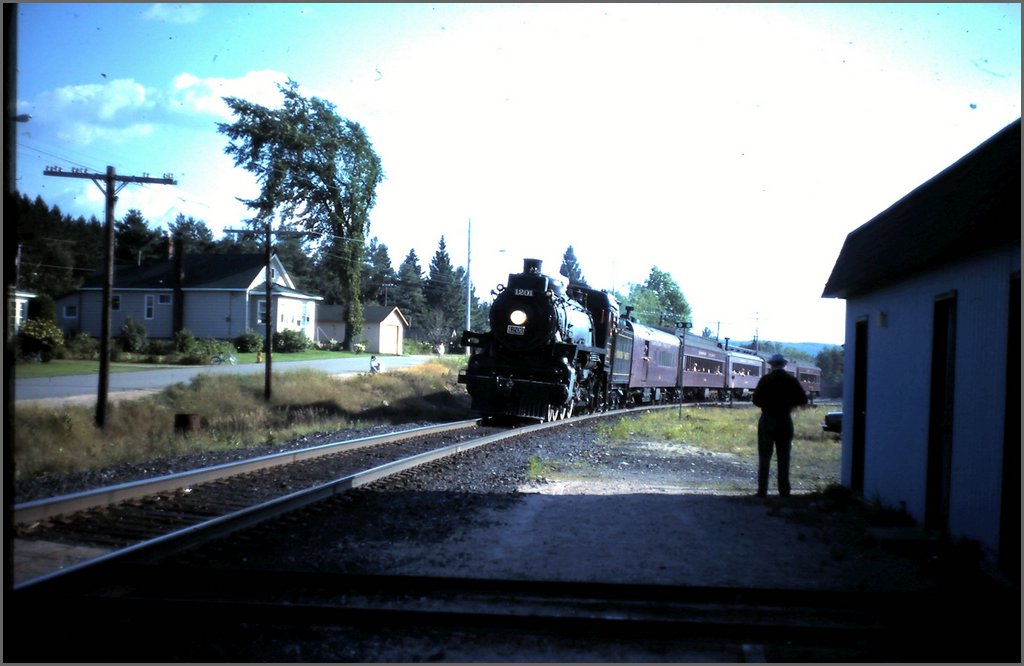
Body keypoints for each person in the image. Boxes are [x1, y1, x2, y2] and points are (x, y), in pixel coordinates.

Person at [751, 353, 808, 497]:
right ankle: (784, 491)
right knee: (783, 456)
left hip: (768, 419)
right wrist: (788, 404)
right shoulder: (791, 380)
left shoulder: (765, 380)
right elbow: (803, 399)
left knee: (764, 456)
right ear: (784, 364)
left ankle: (762, 490)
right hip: (784, 419)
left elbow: (756, 400)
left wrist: (768, 404)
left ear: (771, 365)